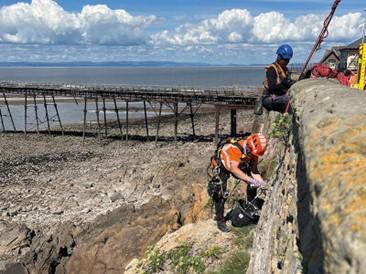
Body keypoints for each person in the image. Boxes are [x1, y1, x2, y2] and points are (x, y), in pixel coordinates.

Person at [208, 133, 268, 232]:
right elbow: (234, 170)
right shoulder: (234, 149)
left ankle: (252, 206)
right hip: (224, 165)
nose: (253, 156)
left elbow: (254, 171)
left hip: (239, 164)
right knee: (220, 193)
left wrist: (261, 183)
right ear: (248, 146)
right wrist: (251, 180)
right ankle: (220, 220)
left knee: (252, 185)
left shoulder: (253, 153)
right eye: (251, 153)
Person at [262, 44, 295, 113]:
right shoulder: (272, 69)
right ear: (279, 57)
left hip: (279, 96)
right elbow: (272, 87)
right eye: (285, 60)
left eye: (288, 60)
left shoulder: (284, 69)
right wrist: (284, 84)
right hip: (269, 98)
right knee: (289, 100)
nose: (287, 62)